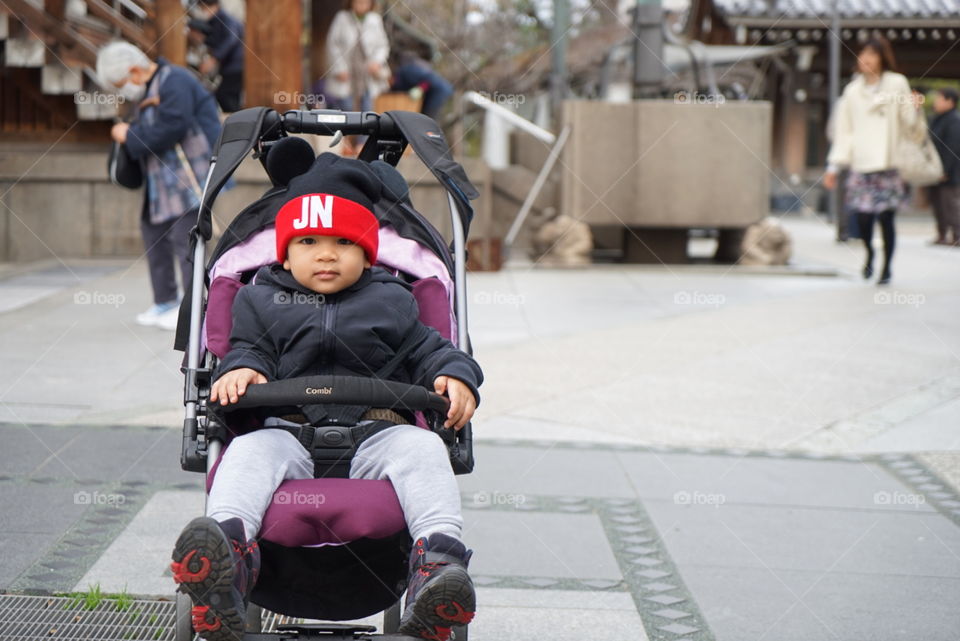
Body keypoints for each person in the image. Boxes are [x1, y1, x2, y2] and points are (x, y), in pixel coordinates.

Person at [170, 153, 481, 641]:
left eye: (344, 243)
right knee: (248, 453)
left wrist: (456, 377)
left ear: (369, 254)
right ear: (285, 254)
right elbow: (246, 349)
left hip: (376, 433)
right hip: (286, 433)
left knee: (423, 449)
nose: (327, 254)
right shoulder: (260, 298)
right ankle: (225, 560)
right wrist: (242, 369)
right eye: (309, 242)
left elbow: (430, 349)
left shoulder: (392, 301)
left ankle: (436, 568)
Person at [96, 42, 221, 329]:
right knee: (153, 234)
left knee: (185, 239)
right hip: (161, 179)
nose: (123, 90)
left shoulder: (175, 79)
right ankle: (165, 301)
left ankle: (193, 310)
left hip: (188, 176)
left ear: (134, 70)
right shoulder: (154, 85)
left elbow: (171, 127)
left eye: (121, 83)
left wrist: (129, 134)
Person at [824, 37, 924, 285]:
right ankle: (869, 254)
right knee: (864, 219)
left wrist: (915, 108)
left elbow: (908, 123)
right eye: (863, 54)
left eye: (872, 54)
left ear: (882, 58)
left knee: (887, 218)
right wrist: (834, 166)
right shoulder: (852, 91)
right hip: (861, 163)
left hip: (888, 163)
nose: (866, 59)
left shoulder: (896, 83)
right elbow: (844, 131)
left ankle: (887, 267)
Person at [325, 0, 390, 113]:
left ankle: (364, 131)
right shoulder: (341, 18)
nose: (361, 5)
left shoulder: (375, 19)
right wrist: (339, 69)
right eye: (358, 2)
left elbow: (382, 45)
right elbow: (332, 45)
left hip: (366, 74)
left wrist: (376, 62)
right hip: (347, 73)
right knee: (345, 108)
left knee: (367, 109)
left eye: (365, 2)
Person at [194, 0, 244, 112]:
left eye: (203, 8)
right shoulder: (214, 21)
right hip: (229, 65)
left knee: (225, 94)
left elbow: (231, 39)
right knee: (226, 95)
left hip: (236, 65)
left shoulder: (225, 19)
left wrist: (214, 59)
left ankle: (236, 120)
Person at [928, 87, 960, 246]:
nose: (936, 102)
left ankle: (957, 235)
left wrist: (945, 170)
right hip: (934, 170)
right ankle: (942, 234)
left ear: (950, 101)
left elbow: (953, 147)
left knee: (950, 204)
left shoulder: (954, 119)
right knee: (937, 204)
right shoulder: (936, 118)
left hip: (949, 171)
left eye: (939, 98)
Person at [390, 51, 454, 119]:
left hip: (438, 90)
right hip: (442, 89)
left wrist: (420, 88)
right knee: (423, 115)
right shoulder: (417, 65)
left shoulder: (406, 70)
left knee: (426, 117)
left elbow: (429, 79)